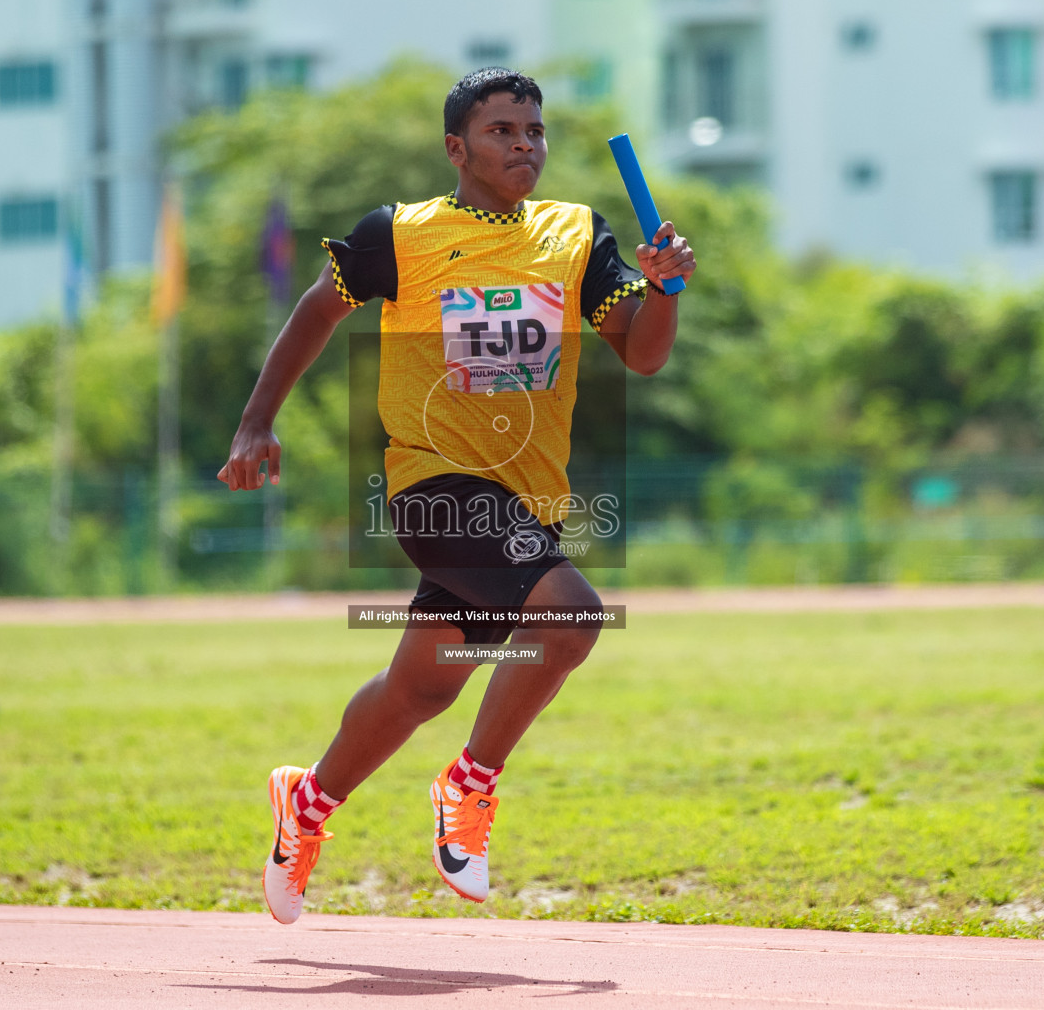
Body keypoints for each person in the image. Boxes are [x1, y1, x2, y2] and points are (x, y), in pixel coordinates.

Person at [219, 67, 696, 923]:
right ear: (457, 148)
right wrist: (256, 422)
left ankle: (308, 803)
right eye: (503, 131)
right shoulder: (400, 235)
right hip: (433, 485)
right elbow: (317, 312)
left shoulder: (577, 235)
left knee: (422, 689)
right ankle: (467, 785)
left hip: (526, 502)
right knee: (573, 618)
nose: (524, 145)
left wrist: (662, 288)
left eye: (535, 131)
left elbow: (645, 354)